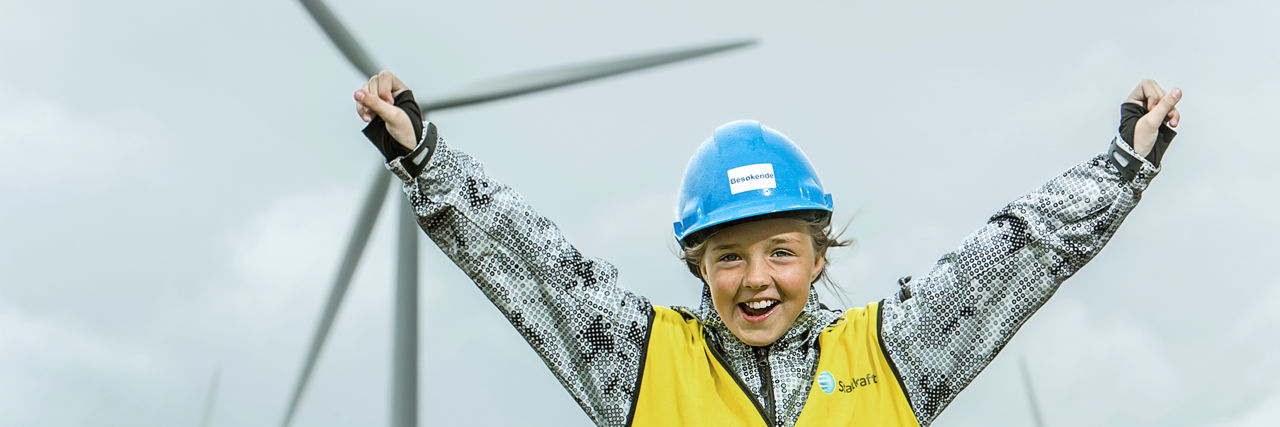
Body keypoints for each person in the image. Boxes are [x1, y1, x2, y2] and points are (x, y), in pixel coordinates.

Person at [352, 71, 1182, 427]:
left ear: (819, 255)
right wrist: (427, 160)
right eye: (728, 257)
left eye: (780, 251)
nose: (756, 279)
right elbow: (525, 256)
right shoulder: (638, 362)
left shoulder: (895, 352)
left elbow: (1024, 247)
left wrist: (1123, 167)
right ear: (696, 266)